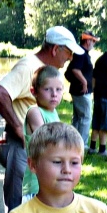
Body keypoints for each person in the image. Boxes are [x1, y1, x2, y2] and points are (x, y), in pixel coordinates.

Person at [0, 26, 82, 213]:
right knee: (18, 208)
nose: (70, 58)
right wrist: (18, 128)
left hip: (35, 149)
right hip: (21, 146)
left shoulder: (43, 71)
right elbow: (0, 93)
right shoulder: (28, 67)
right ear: (56, 49)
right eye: (69, 52)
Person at [20, 64, 66, 204]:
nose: (54, 94)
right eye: (47, 89)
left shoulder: (53, 112)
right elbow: (48, 141)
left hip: (50, 179)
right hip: (35, 183)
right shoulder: (35, 112)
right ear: (34, 91)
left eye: (58, 89)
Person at [67, 32, 98, 144]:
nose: (94, 44)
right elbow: (75, 69)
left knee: (77, 118)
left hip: (78, 90)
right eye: (93, 41)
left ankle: (72, 141)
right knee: (86, 118)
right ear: (88, 41)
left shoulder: (82, 53)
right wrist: (84, 82)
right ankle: (81, 144)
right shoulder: (80, 53)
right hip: (81, 92)